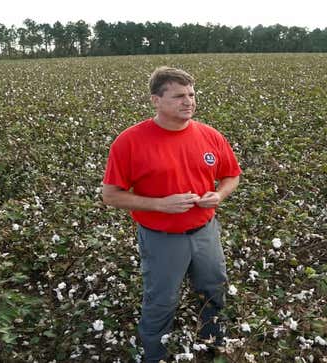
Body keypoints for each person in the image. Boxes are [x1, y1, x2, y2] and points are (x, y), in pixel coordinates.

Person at [101, 66, 241, 362]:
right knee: (162, 300)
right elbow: (110, 195)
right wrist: (160, 204)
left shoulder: (210, 135)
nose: (188, 101)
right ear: (156, 100)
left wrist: (219, 195)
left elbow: (232, 176)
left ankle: (212, 342)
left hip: (206, 232)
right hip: (162, 239)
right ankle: (155, 355)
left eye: (191, 94)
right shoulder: (130, 141)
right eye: (179, 96)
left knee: (214, 288)